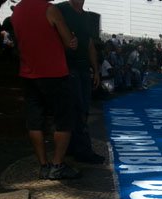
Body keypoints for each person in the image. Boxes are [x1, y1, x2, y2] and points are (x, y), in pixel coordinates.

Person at [12, 0, 81, 180]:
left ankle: (43, 165)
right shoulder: (50, 10)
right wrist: (72, 39)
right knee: (64, 120)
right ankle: (57, 165)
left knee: (35, 120)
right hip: (54, 73)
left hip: (28, 73)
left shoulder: (17, 10)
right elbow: (69, 42)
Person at [55, 0, 105, 164]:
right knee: (77, 108)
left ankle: (73, 146)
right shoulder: (60, 9)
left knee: (82, 108)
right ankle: (81, 149)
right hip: (67, 66)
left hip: (83, 68)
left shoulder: (86, 17)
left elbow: (90, 44)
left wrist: (96, 70)